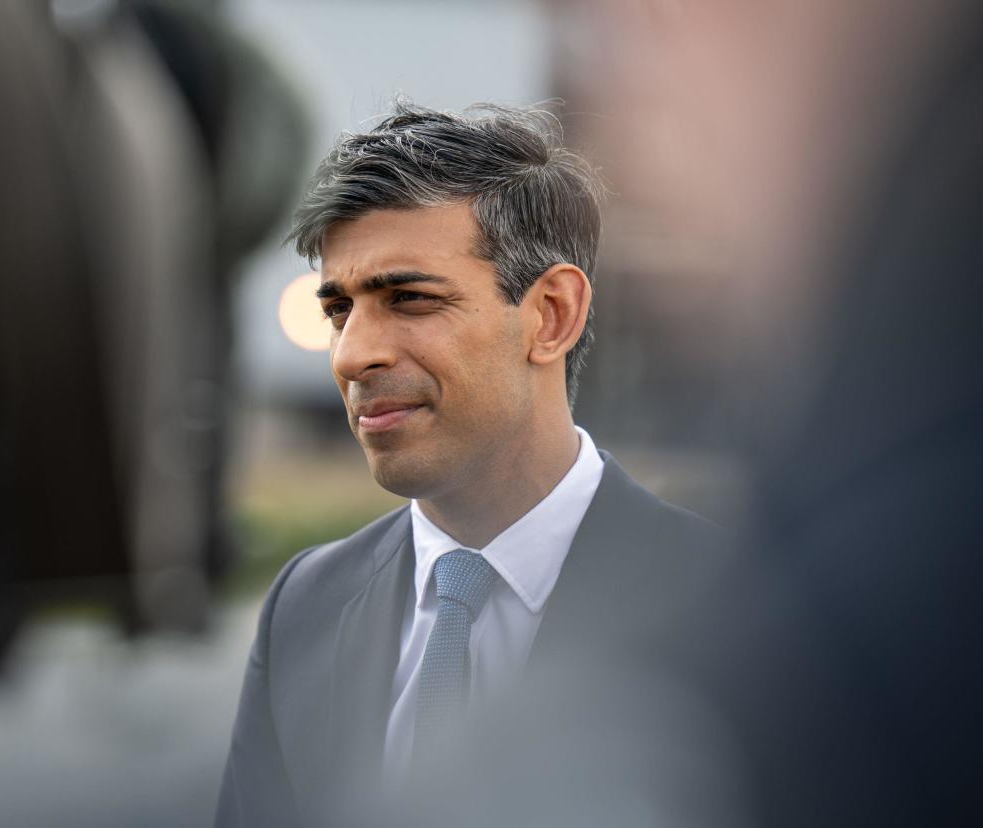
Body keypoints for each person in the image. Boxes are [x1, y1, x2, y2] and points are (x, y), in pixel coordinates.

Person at [215, 102, 724, 827]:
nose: (353, 353)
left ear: (550, 315)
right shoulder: (304, 607)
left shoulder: (737, 608)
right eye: (338, 311)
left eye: (411, 299)